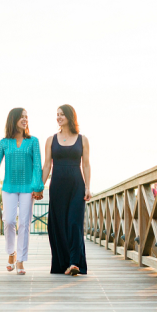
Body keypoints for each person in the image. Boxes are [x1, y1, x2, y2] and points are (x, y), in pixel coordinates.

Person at [0, 108, 44, 275]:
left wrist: (38, 187)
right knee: (8, 221)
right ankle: (11, 253)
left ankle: (21, 260)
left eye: (26, 117)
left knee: (24, 223)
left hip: (27, 188)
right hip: (8, 187)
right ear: (13, 119)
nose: (25, 119)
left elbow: (38, 166)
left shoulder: (33, 141)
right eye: (21, 117)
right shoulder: (4, 142)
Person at [42, 104, 91, 276]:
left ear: (70, 117)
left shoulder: (82, 139)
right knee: (58, 225)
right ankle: (63, 263)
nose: (59, 117)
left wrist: (88, 187)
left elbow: (86, 165)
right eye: (57, 115)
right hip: (57, 187)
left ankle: (74, 262)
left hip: (76, 186)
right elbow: (47, 165)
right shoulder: (51, 139)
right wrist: (40, 187)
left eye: (62, 114)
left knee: (74, 223)